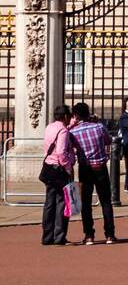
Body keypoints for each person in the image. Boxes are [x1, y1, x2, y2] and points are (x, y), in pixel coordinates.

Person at [69, 102, 116, 246]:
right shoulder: (99, 127)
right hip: (100, 167)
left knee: (86, 203)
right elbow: (108, 140)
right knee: (106, 201)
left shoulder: (74, 132)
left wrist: (71, 125)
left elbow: (69, 144)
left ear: (76, 116)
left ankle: (89, 235)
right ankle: (110, 234)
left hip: (85, 168)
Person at [40, 104, 75, 246]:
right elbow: (61, 152)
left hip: (48, 167)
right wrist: (68, 167)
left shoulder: (50, 127)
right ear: (66, 117)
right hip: (59, 169)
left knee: (49, 203)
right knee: (62, 203)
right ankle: (59, 236)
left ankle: (47, 236)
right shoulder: (63, 131)